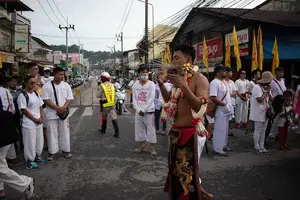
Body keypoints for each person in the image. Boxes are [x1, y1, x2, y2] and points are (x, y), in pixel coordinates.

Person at [159, 44, 212, 199]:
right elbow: (169, 100)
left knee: (187, 173)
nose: (173, 62)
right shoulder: (178, 81)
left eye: (177, 58)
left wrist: (184, 85)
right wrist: (161, 85)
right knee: (177, 171)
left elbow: (200, 106)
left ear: (188, 59)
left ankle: (198, 194)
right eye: (173, 58)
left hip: (191, 132)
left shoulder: (200, 79)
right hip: (176, 132)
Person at [0, 74, 35, 199]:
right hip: (7, 127)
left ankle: (24, 184)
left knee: (0, 166)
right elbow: (13, 111)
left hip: (1, 129)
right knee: (1, 162)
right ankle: (0, 189)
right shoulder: (6, 92)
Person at [42, 67, 74, 161]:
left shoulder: (66, 85)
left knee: (64, 132)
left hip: (63, 114)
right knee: (52, 133)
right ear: (54, 74)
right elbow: (45, 99)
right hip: (51, 114)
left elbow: (70, 98)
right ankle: (52, 152)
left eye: (62, 74)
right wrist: (57, 108)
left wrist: (63, 108)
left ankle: (65, 150)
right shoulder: (47, 86)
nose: (62, 76)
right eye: (59, 74)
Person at [17, 75, 48, 169]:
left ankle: (37, 157)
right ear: (26, 83)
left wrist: (41, 117)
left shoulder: (35, 93)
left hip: (38, 122)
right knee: (30, 143)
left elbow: (40, 106)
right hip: (29, 124)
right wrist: (34, 119)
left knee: (39, 141)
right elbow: (24, 110)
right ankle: (30, 161)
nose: (34, 84)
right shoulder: (22, 95)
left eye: (35, 82)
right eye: (31, 82)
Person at [210, 66, 234, 156]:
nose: (225, 72)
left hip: (226, 111)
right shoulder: (214, 82)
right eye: (223, 71)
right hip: (220, 110)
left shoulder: (223, 82)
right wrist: (222, 103)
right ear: (217, 73)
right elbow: (212, 97)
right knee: (219, 129)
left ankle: (223, 145)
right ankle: (217, 149)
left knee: (225, 129)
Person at [132, 67, 157, 156]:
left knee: (151, 130)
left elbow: (151, 98)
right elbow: (134, 100)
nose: (145, 74)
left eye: (146, 73)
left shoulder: (151, 84)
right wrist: (138, 110)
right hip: (138, 112)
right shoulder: (135, 85)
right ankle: (142, 146)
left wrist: (144, 109)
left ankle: (152, 148)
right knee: (139, 129)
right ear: (139, 73)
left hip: (149, 111)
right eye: (143, 73)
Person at [249, 71, 273, 153]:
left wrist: (269, 92)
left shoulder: (266, 88)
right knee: (258, 130)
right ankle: (257, 146)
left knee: (264, 129)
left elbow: (272, 99)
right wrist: (267, 92)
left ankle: (262, 146)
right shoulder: (257, 87)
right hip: (258, 112)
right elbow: (259, 99)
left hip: (265, 111)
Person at [96, 72, 120, 138]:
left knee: (104, 118)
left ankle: (103, 130)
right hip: (112, 104)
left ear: (103, 78)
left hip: (105, 104)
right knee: (114, 117)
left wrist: (98, 87)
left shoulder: (102, 86)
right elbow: (115, 94)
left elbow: (97, 95)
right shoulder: (112, 85)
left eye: (101, 78)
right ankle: (117, 133)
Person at [6, 76, 22, 161]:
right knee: (13, 132)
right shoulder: (6, 92)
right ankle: (14, 150)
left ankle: (22, 148)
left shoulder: (20, 90)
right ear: (8, 83)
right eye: (12, 81)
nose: (14, 83)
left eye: (15, 81)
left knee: (21, 131)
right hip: (11, 116)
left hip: (20, 114)